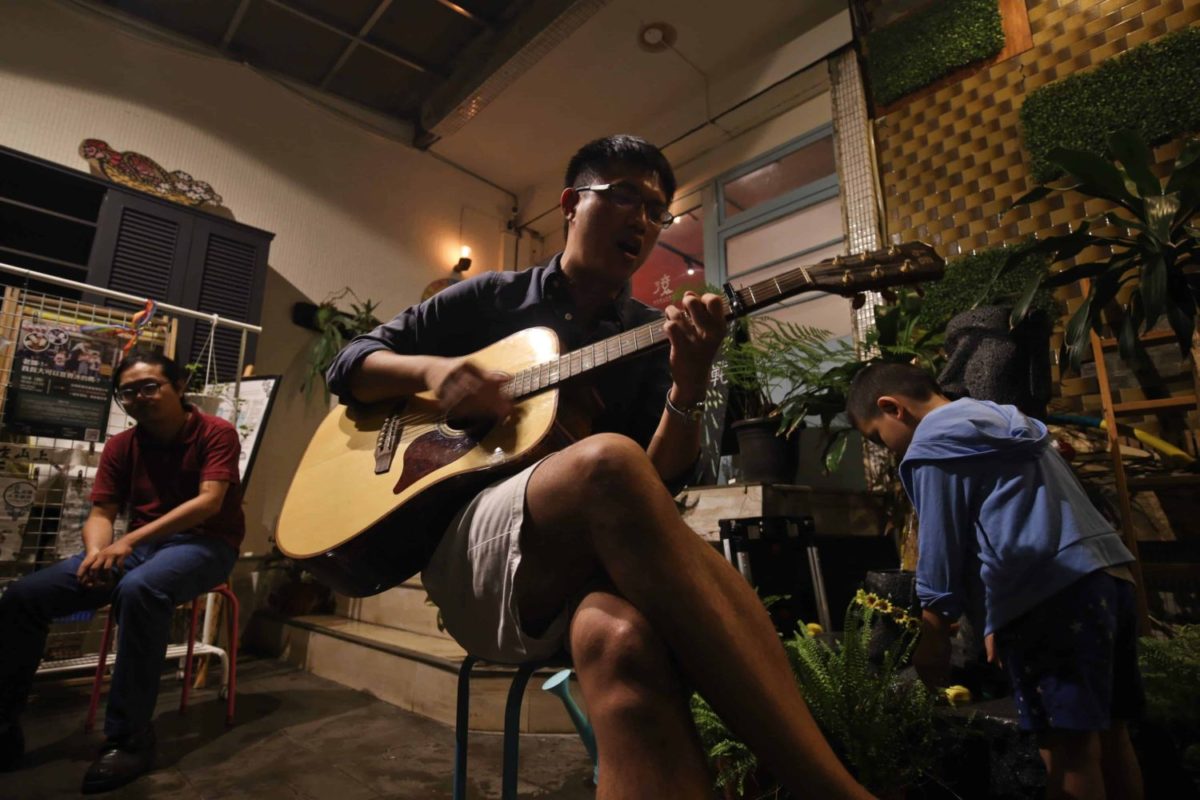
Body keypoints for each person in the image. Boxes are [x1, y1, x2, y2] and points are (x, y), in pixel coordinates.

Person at [327, 135, 871, 799]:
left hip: (589, 569)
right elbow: (350, 364)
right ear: (570, 204)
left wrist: (688, 385)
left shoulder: (648, 335)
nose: (643, 219)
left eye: (657, 210)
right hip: (472, 558)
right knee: (606, 461)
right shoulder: (492, 299)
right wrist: (435, 373)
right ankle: (828, 787)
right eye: (624, 196)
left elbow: (655, 482)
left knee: (622, 644)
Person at [846, 361, 1145, 800]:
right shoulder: (1006, 420)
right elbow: (1023, 518)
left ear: (893, 408)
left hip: (1049, 597)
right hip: (1109, 575)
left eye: (877, 437)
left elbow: (941, 549)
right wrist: (997, 614)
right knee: (1113, 737)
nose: (887, 450)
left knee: (1068, 753)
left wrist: (934, 634)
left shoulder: (931, 445)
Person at [0, 351, 243, 794]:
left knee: (139, 589)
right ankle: (3, 725)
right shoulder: (121, 446)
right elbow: (101, 513)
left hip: (207, 544)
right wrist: (98, 553)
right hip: (142, 547)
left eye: (150, 386)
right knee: (23, 597)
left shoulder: (215, 432)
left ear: (179, 387)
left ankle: (130, 739)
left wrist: (127, 543)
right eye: (127, 392)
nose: (138, 398)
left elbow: (209, 502)